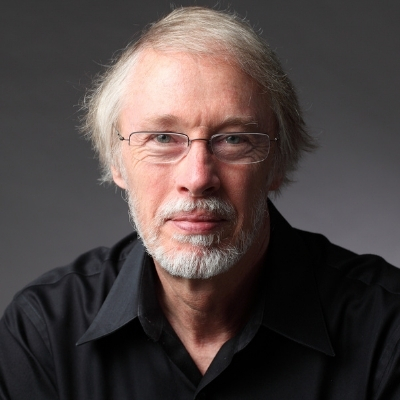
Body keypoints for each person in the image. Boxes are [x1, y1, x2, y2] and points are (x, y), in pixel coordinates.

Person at [1, 6, 399, 400]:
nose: (198, 179)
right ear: (116, 161)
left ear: (278, 163)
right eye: (162, 138)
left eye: (233, 139)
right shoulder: (43, 333)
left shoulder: (387, 327)